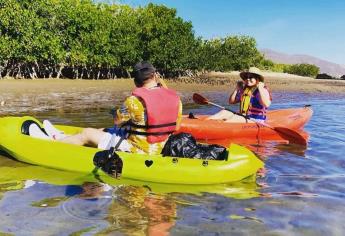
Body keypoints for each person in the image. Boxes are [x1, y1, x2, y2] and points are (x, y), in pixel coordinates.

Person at [31, 61, 182, 155]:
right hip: (161, 145)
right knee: (103, 130)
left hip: (140, 150)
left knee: (88, 133)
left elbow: (117, 121)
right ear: (155, 76)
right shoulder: (176, 99)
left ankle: (51, 144)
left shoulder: (133, 101)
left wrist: (117, 114)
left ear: (136, 82)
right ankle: (61, 137)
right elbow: (177, 125)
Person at [207, 67, 271, 123]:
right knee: (224, 112)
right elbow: (231, 102)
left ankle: (218, 128)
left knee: (232, 120)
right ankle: (204, 122)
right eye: (246, 77)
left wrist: (260, 88)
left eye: (251, 77)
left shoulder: (262, 90)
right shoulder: (245, 90)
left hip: (255, 120)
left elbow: (266, 104)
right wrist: (236, 89)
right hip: (243, 116)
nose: (248, 79)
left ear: (257, 79)